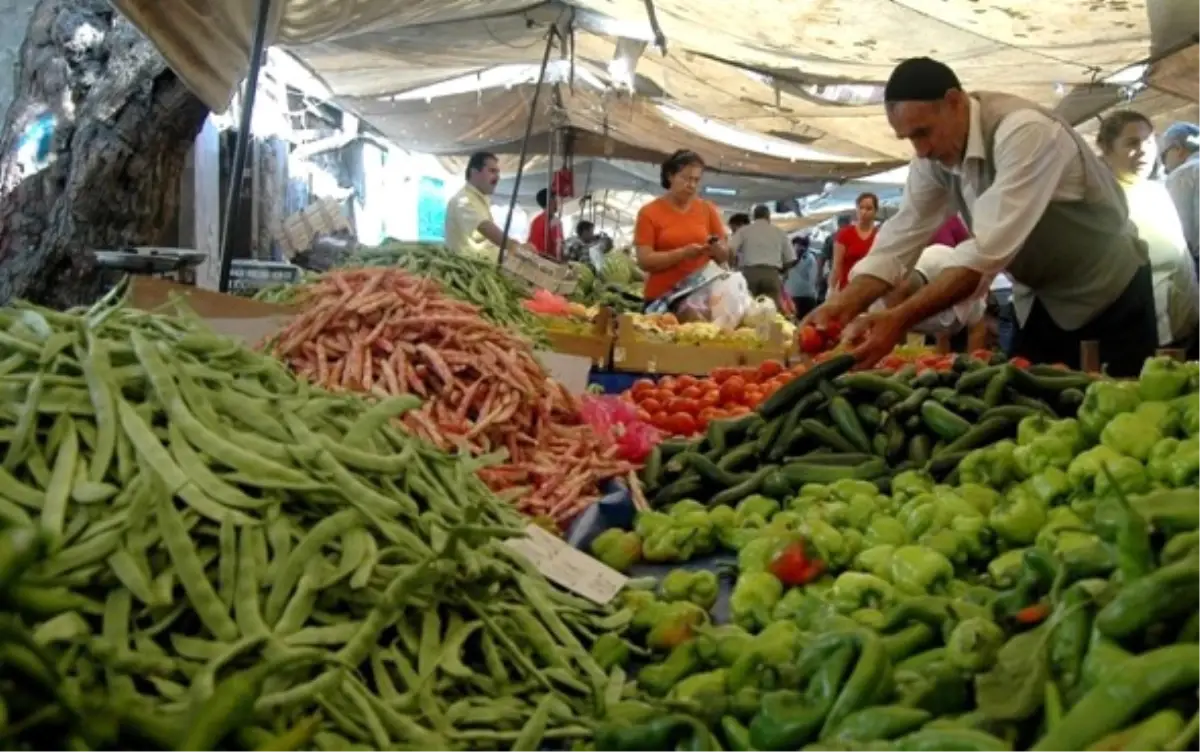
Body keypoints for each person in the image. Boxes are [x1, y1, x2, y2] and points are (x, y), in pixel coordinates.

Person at [806, 57, 1157, 377]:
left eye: (923, 132)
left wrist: (899, 319)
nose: (921, 150)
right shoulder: (935, 158)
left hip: (1110, 294)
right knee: (1034, 417)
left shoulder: (1024, 131)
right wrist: (843, 304)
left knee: (1120, 415)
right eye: (909, 138)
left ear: (955, 102)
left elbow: (982, 255)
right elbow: (901, 237)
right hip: (1040, 302)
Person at [1096, 110, 1200, 349]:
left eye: (1150, 142)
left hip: (1183, 325)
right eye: (1132, 143)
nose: (1144, 150)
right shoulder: (1102, 199)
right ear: (1107, 149)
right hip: (1141, 332)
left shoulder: (1156, 191)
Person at [633, 150, 730, 305]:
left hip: (700, 300)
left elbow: (725, 255)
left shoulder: (708, 209)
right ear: (670, 176)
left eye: (696, 180)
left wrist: (719, 249)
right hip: (660, 299)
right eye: (685, 178)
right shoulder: (649, 213)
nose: (691, 185)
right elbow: (644, 261)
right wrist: (682, 254)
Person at [873, 244, 989, 351]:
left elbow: (977, 331)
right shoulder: (931, 264)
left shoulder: (971, 292)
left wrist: (972, 364)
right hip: (898, 298)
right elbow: (903, 288)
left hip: (954, 298)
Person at [444, 152, 531, 262]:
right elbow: (485, 227)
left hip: (485, 268)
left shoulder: (480, 200)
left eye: (498, 173)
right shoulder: (462, 200)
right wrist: (513, 246)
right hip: (468, 272)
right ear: (474, 172)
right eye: (492, 171)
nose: (497, 177)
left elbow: (486, 241)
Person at [731, 204, 795, 301]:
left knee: (749, 307)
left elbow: (730, 250)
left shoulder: (744, 231)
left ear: (753, 216)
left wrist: (733, 265)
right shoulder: (780, 232)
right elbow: (791, 259)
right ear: (769, 216)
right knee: (770, 309)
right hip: (772, 274)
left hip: (750, 273)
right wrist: (782, 271)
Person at [1162, 122, 1200, 257]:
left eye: (1163, 157)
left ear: (1178, 148)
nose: (1165, 168)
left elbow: (1181, 235)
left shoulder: (1183, 174)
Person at [830, 193, 879, 293]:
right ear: (856, 209)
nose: (864, 212)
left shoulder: (880, 235)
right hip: (846, 290)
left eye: (869, 208)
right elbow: (836, 267)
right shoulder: (844, 234)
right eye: (861, 208)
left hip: (871, 292)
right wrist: (831, 290)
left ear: (875, 211)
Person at [785, 236, 821, 320]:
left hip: (795, 296)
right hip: (804, 296)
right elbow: (814, 278)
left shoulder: (788, 259)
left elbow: (783, 277)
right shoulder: (810, 258)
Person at [527, 188, 563, 260]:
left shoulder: (535, 221)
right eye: (555, 198)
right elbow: (559, 247)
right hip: (548, 261)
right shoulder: (555, 221)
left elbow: (530, 242)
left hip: (533, 259)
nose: (557, 201)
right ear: (550, 200)